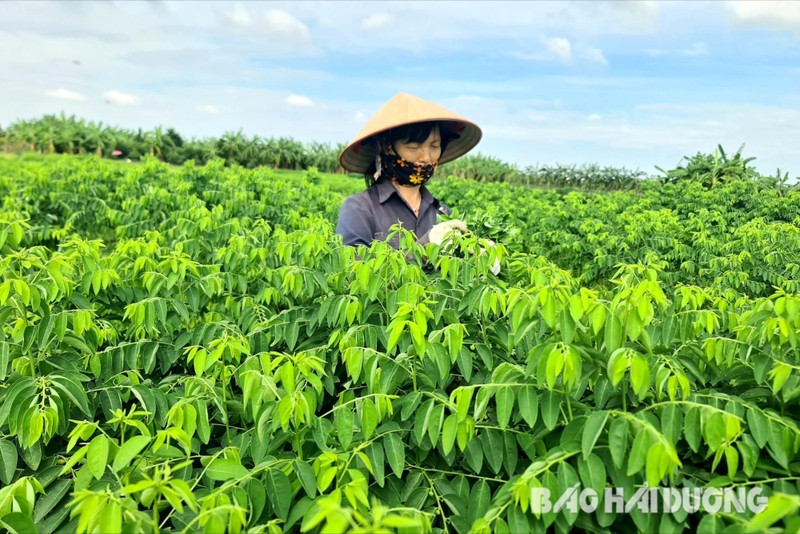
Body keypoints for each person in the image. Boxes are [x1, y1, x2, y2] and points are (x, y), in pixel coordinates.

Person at [336, 92, 481, 250]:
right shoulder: (360, 208)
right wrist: (427, 247)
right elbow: (354, 269)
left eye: (434, 146)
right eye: (414, 147)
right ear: (388, 148)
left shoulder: (442, 212)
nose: (426, 157)